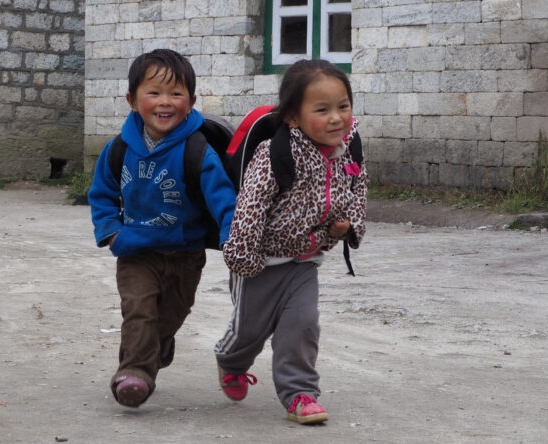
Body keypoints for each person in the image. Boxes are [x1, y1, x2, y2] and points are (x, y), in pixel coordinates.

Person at [213, 59, 368, 424]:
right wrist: (244, 260)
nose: (336, 118)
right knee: (248, 332)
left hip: (306, 259)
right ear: (294, 118)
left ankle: (300, 394)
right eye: (322, 110)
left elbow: (358, 189)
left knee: (303, 324)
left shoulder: (350, 147)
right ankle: (230, 361)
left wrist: (350, 226)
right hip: (262, 260)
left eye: (343, 106)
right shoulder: (274, 154)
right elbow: (250, 205)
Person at [88, 49, 236, 408]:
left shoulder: (198, 151)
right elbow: (102, 195)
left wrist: (234, 237)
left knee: (171, 316)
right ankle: (135, 374)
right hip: (136, 250)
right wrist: (111, 232)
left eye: (176, 94)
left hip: (185, 254)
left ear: (192, 100)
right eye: (154, 93)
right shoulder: (118, 149)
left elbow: (223, 199)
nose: (165, 102)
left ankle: (158, 345)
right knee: (139, 311)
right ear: (132, 100)